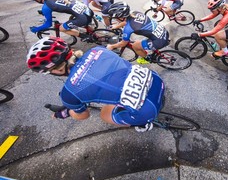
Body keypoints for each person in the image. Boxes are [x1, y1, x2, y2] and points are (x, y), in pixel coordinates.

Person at [26, 36, 164, 132]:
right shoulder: (97, 50)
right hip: (156, 80)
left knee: (104, 114)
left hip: (148, 110)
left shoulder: (69, 92)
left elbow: (83, 115)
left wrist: (67, 111)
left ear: (56, 70)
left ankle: (142, 124)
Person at [24, 0, 94, 40]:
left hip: (83, 18)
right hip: (87, 10)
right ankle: (93, 33)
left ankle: (85, 36)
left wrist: (36, 29)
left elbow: (48, 24)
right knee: (73, 19)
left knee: (61, 28)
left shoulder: (46, 7)